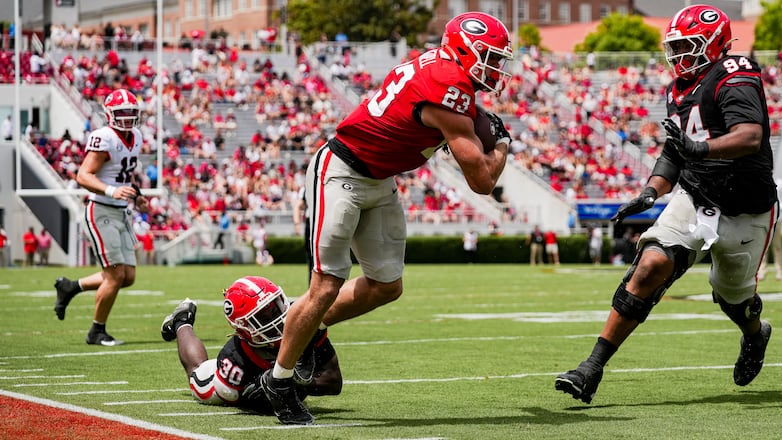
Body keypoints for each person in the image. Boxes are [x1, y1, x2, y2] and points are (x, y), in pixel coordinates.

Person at [261, 11, 513, 425]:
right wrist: (501, 144)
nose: (496, 67)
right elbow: (483, 182)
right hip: (341, 171)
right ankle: (280, 379)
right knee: (325, 286)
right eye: (490, 56)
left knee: (386, 286)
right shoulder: (448, 86)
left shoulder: (442, 69)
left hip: (380, 179)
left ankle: (305, 329)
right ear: (465, 49)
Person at [555, 5, 777, 404]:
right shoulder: (678, 88)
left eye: (687, 46)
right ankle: (591, 368)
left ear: (715, 44)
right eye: (674, 47)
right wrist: (651, 191)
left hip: (747, 208)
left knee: (734, 298)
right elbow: (675, 153)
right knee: (651, 264)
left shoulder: (735, 73)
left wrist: (700, 147)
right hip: (697, 195)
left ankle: (754, 333)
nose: (678, 55)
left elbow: (750, 136)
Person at [160, 276, 341, 414]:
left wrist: (281, 380)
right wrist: (271, 386)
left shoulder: (304, 320)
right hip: (231, 386)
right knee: (197, 374)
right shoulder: (235, 359)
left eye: (275, 307)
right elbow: (257, 406)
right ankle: (182, 322)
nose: (275, 319)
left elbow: (333, 382)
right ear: (244, 328)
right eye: (262, 316)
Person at [53, 88, 149, 347]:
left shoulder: (136, 137)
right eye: (122, 113)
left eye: (131, 113)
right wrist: (111, 191)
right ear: (109, 114)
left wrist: (136, 195)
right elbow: (83, 175)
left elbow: (122, 174)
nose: (128, 118)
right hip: (101, 209)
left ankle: (71, 287)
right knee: (115, 276)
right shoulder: (104, 137)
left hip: (121, 210)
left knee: (127, 277)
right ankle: (97, 331)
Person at [758, 177, 782, 281]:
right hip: (764, 218)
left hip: (777, 218)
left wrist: (775, 208)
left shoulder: (780, 182)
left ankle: (779, 271)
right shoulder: (762, 181)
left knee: (777, 246)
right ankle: (762, 271)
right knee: (763, 246)